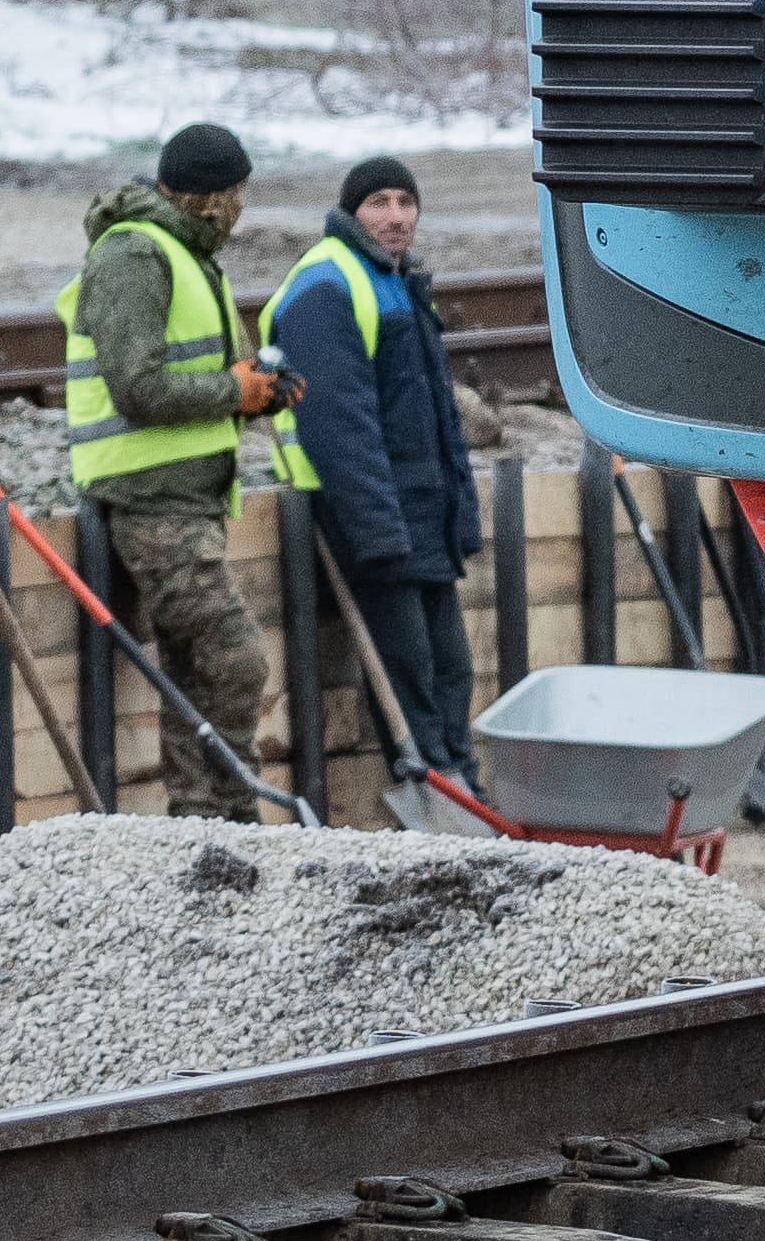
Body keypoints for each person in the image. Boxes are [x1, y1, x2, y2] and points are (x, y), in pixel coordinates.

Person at [61, 122, 291, 820]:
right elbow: (138, 387)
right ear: (210, 197)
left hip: (186, 497)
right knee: (237, 658)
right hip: (148, 498)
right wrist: (235, 391)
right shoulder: (135, 253)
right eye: (237, 193)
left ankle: (197, 819)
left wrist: (255, 391)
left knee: (194, 668)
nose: (242, 208)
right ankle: (236, 810)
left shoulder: (187, 254)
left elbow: (198, 376)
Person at [270, 155, 480, 797]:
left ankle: (462, 787)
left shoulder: (402, 281)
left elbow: (436, 417)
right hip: (375, 518)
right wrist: (378, 531)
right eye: (379, 203)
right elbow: (338, 427)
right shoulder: (327, 285)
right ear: (351, 211)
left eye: (405, 202)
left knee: (452, 666)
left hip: (424, 514)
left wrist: (458, 516)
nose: (395, 217)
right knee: (409, 670)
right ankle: (435, 793)